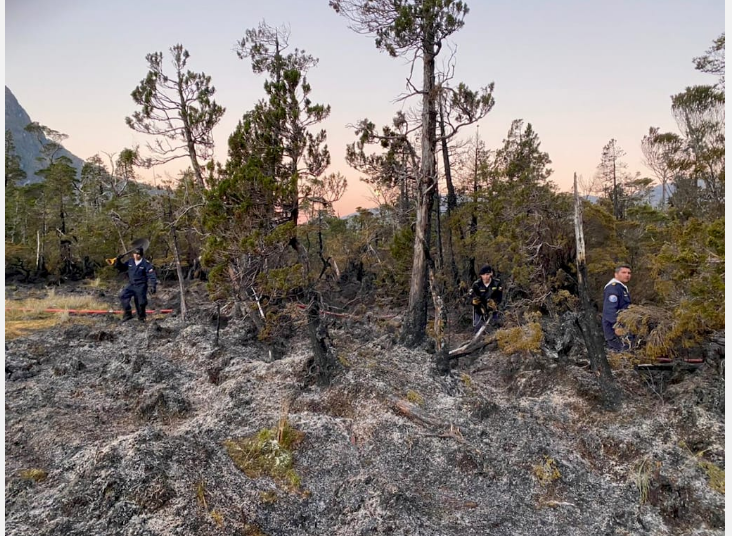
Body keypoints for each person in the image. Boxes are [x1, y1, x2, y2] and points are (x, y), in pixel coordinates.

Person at [114, 246, 157, 323]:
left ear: (141, 255)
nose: (136, 255)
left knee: (141, 303)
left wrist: (152, 285)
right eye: (135, 254)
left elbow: (151, 275)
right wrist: (118, 261)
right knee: (122, 295)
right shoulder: (130, 261)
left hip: (141, 285)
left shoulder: (146, 264)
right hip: (131, 284)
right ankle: (128, 314)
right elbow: (122, 268)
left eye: (138, 254)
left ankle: (141, 318)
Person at [602, 264, 632, 351]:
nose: (627, 275)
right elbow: (610, 309)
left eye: (629, 273)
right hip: (614, 328)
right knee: (619, 353)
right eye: (623, 272)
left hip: (623, 325)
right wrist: (616, 326)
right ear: (616, 274)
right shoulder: (613, 288)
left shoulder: (621, 287)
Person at [468, 265, 503, 334]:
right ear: (481, 275)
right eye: (483, 275)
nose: (486, 277)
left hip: (492, 309)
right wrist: (473, 301)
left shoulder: (497, 283)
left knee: (494, 328)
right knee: (478, 328)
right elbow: (470, 297)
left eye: (487, 274)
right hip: (479, 310)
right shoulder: (476, 285)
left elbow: (500, 297)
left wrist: (495, 303)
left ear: (491, 274)